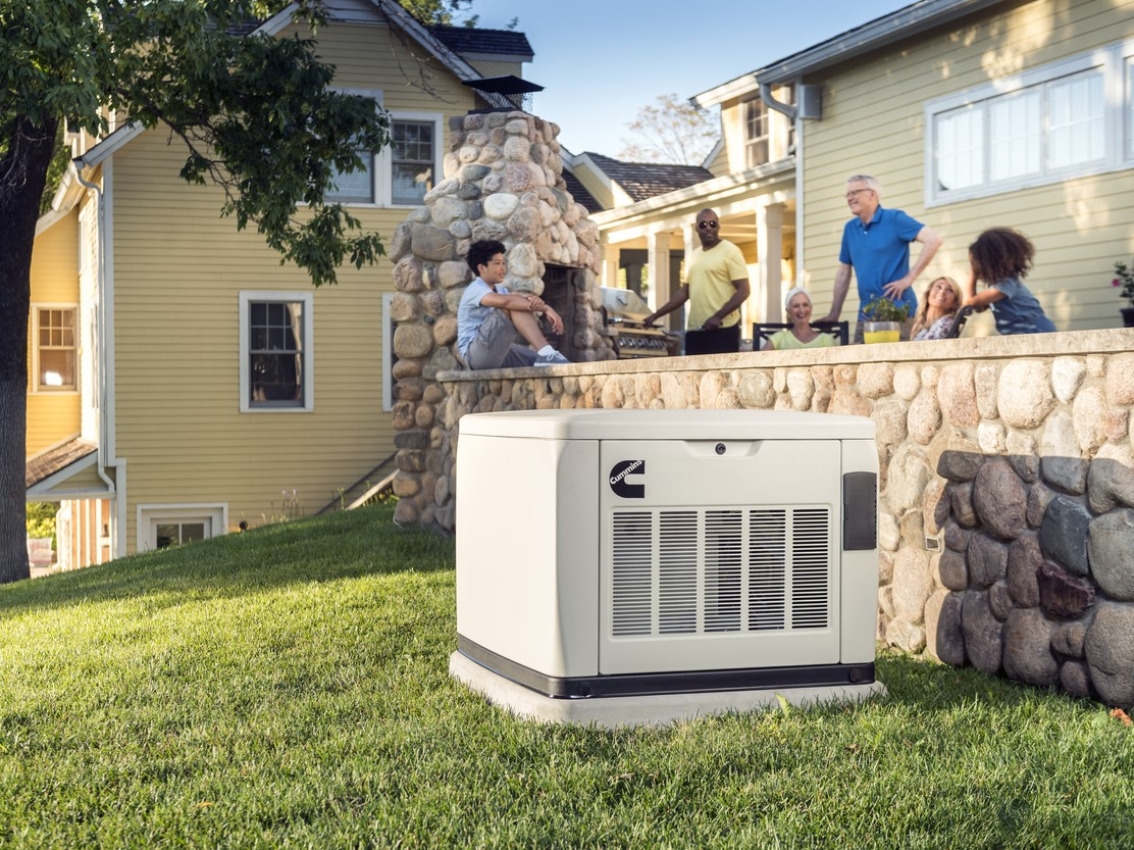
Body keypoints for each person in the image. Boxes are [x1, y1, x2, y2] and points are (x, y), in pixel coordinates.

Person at [822, 174, 943, 343]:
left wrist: (908, 279)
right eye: (847, 194)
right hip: (867, 315)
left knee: (898, 367)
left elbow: (933, 239)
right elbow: (843, 272)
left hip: (899, 312)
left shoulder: (894, 219)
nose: (849, 198)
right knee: (859, 365)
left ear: (872, 194)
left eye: (854, 192)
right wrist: (834, 313)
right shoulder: (850, 229)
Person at [643, 208, 750, 355]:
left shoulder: (730, 251)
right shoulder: (694, 256)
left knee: (721, 376)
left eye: (712, 224)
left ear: (718, 226)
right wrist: (655, 315)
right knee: (694, 376)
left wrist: (718, 316)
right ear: (696, 228)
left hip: (722, 329)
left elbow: (744, 290)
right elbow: (683, 293)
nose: (708, 228)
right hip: (696, 329)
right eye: (703, 225)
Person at [456, 239, 571, 368]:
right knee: (513, 302)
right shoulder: (475, 289)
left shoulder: (500, 290)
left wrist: (531, 300)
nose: (503, 268)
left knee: (538, 361)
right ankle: (547, 352)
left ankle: (547, 354)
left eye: (504, 263)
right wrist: (546, 309)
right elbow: (507, 302)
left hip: (495, 350)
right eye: (497, 263)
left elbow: (515, 300)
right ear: (482, 268)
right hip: (475, 356)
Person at [963, 227, 1055, 335]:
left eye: (976, 262)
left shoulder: (1006, 284)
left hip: (1036, 332)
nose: (976, 266)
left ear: (989, 262)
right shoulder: (997, 286)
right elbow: (976, 307)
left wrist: (972, 272)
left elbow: (969, 301)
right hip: (1023, 335)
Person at [762, 287, 837, 350]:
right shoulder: (778, 339)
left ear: (811, 308)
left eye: (805, 305)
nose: (802, 310)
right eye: (796, 306)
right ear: (788, 311)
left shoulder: (825, 340)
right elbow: (759, 361)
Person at [910, 276, 964, 340]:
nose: (942, 292)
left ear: (954, 303)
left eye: (949, 290)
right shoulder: (920, 323)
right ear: (928, 293)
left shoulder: (948, 322)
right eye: (939, 287)